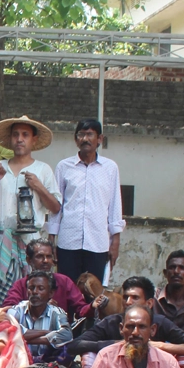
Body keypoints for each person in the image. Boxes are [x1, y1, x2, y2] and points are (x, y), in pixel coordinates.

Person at [67, 276, 184, 368]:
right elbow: (73, 346)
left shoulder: (160, 322)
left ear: (149, 303)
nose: (128, 302)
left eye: (135, 298)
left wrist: (160, 346)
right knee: (88, 355)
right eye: (126, 297)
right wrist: (116, 344)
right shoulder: (112, 322)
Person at [0, 116, 62, 298]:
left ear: (33, 139)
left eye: (25, 135)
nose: (19, 139)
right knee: (0, 294)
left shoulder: (43, 169)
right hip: (1, 241)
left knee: (32, 291)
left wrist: (38, 186)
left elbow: (55, 207)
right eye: (15, 135)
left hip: (31, 243)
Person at [47, 119, 124, 283]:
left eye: (90, 134)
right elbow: (56, 205)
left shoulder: (110, 168)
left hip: (98, 242)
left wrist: (115, 242)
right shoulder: (64, 166)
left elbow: (115, 205)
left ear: (100, 139)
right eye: (81, 135)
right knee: (66, 288)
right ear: (76, 140)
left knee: (93, 292)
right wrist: (51, 238)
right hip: (68, 241)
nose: (85, 139)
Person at [2, 239, 92, 320]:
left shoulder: (64, 281)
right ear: (29, 260)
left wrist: (93, 306)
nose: (45, 260)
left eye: (49, 256)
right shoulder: (21, 285)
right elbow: (7, 310)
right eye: (40, 256)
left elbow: (81, 309)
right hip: (26, 334)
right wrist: (34, 305)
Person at [7, 272, 72, 363]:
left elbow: (67, 335)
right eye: (31, 288)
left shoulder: (57, 312)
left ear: (51, 293)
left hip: (47, 363)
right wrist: (47, 332)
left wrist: (27, 340)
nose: (34, 292)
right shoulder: (16, 310)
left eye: (40, 288)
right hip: (19, 362)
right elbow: (10, 331)